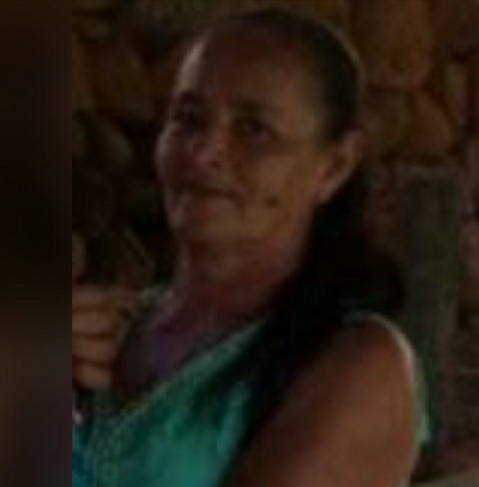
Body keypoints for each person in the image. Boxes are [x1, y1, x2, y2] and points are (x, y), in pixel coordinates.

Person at [73, 8, 429, 487]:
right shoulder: (108, 333)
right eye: (188, 118)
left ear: (335, 166)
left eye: (253, 129)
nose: (203, 152)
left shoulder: (361, 368)